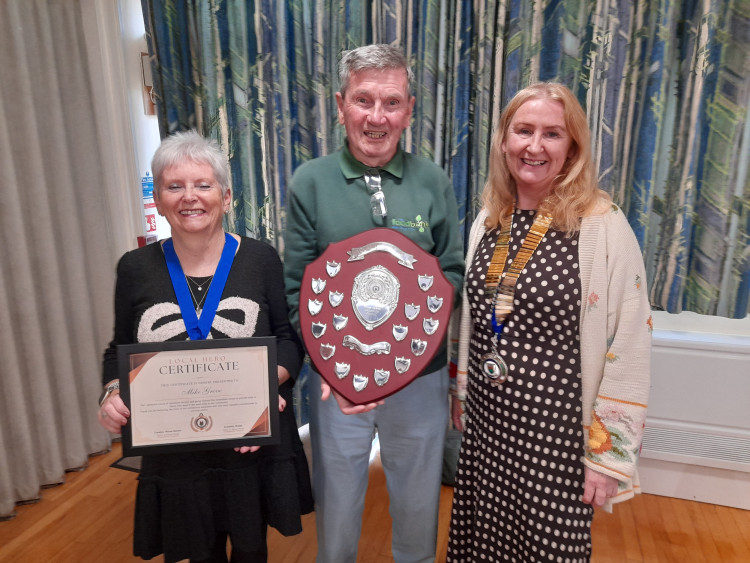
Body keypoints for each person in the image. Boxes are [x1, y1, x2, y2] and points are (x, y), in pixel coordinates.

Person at [447, 82, 652, 562]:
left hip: (557, 440)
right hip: (489, 428)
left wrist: (607, 458)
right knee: (485, 544)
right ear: (504, 140)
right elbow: (474, 320)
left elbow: (631, 344)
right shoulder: (488, 220)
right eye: (523, 130)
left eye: (552, 134)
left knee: (548, 550)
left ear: (572, 147)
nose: (534, 146)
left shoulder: (603, 224)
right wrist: (461, 393)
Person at [283, 44, 465, 563]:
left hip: (420, 376)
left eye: (391, 102)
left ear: (409, 109)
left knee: (417, 507)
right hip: (338, 384)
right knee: (336, 509)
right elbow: (296, 287)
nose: (377, 117)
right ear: (341, 105)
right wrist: (335, 368)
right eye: (364, 101)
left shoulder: (433, 182)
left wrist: (401, 355)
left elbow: (451, 273)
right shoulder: (310, 182)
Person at [97, 131, 313, 563]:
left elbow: (291, 342)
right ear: (158, 199)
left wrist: (256, 396)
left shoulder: (260, 258)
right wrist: (111, 393)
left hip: (247, 444)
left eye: (203, 185)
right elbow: (117, 350)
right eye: (174, 186)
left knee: (251, 549)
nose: (189, 197)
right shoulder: (135, 267)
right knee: (199, 551)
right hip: (177, 450)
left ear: (227, 196)